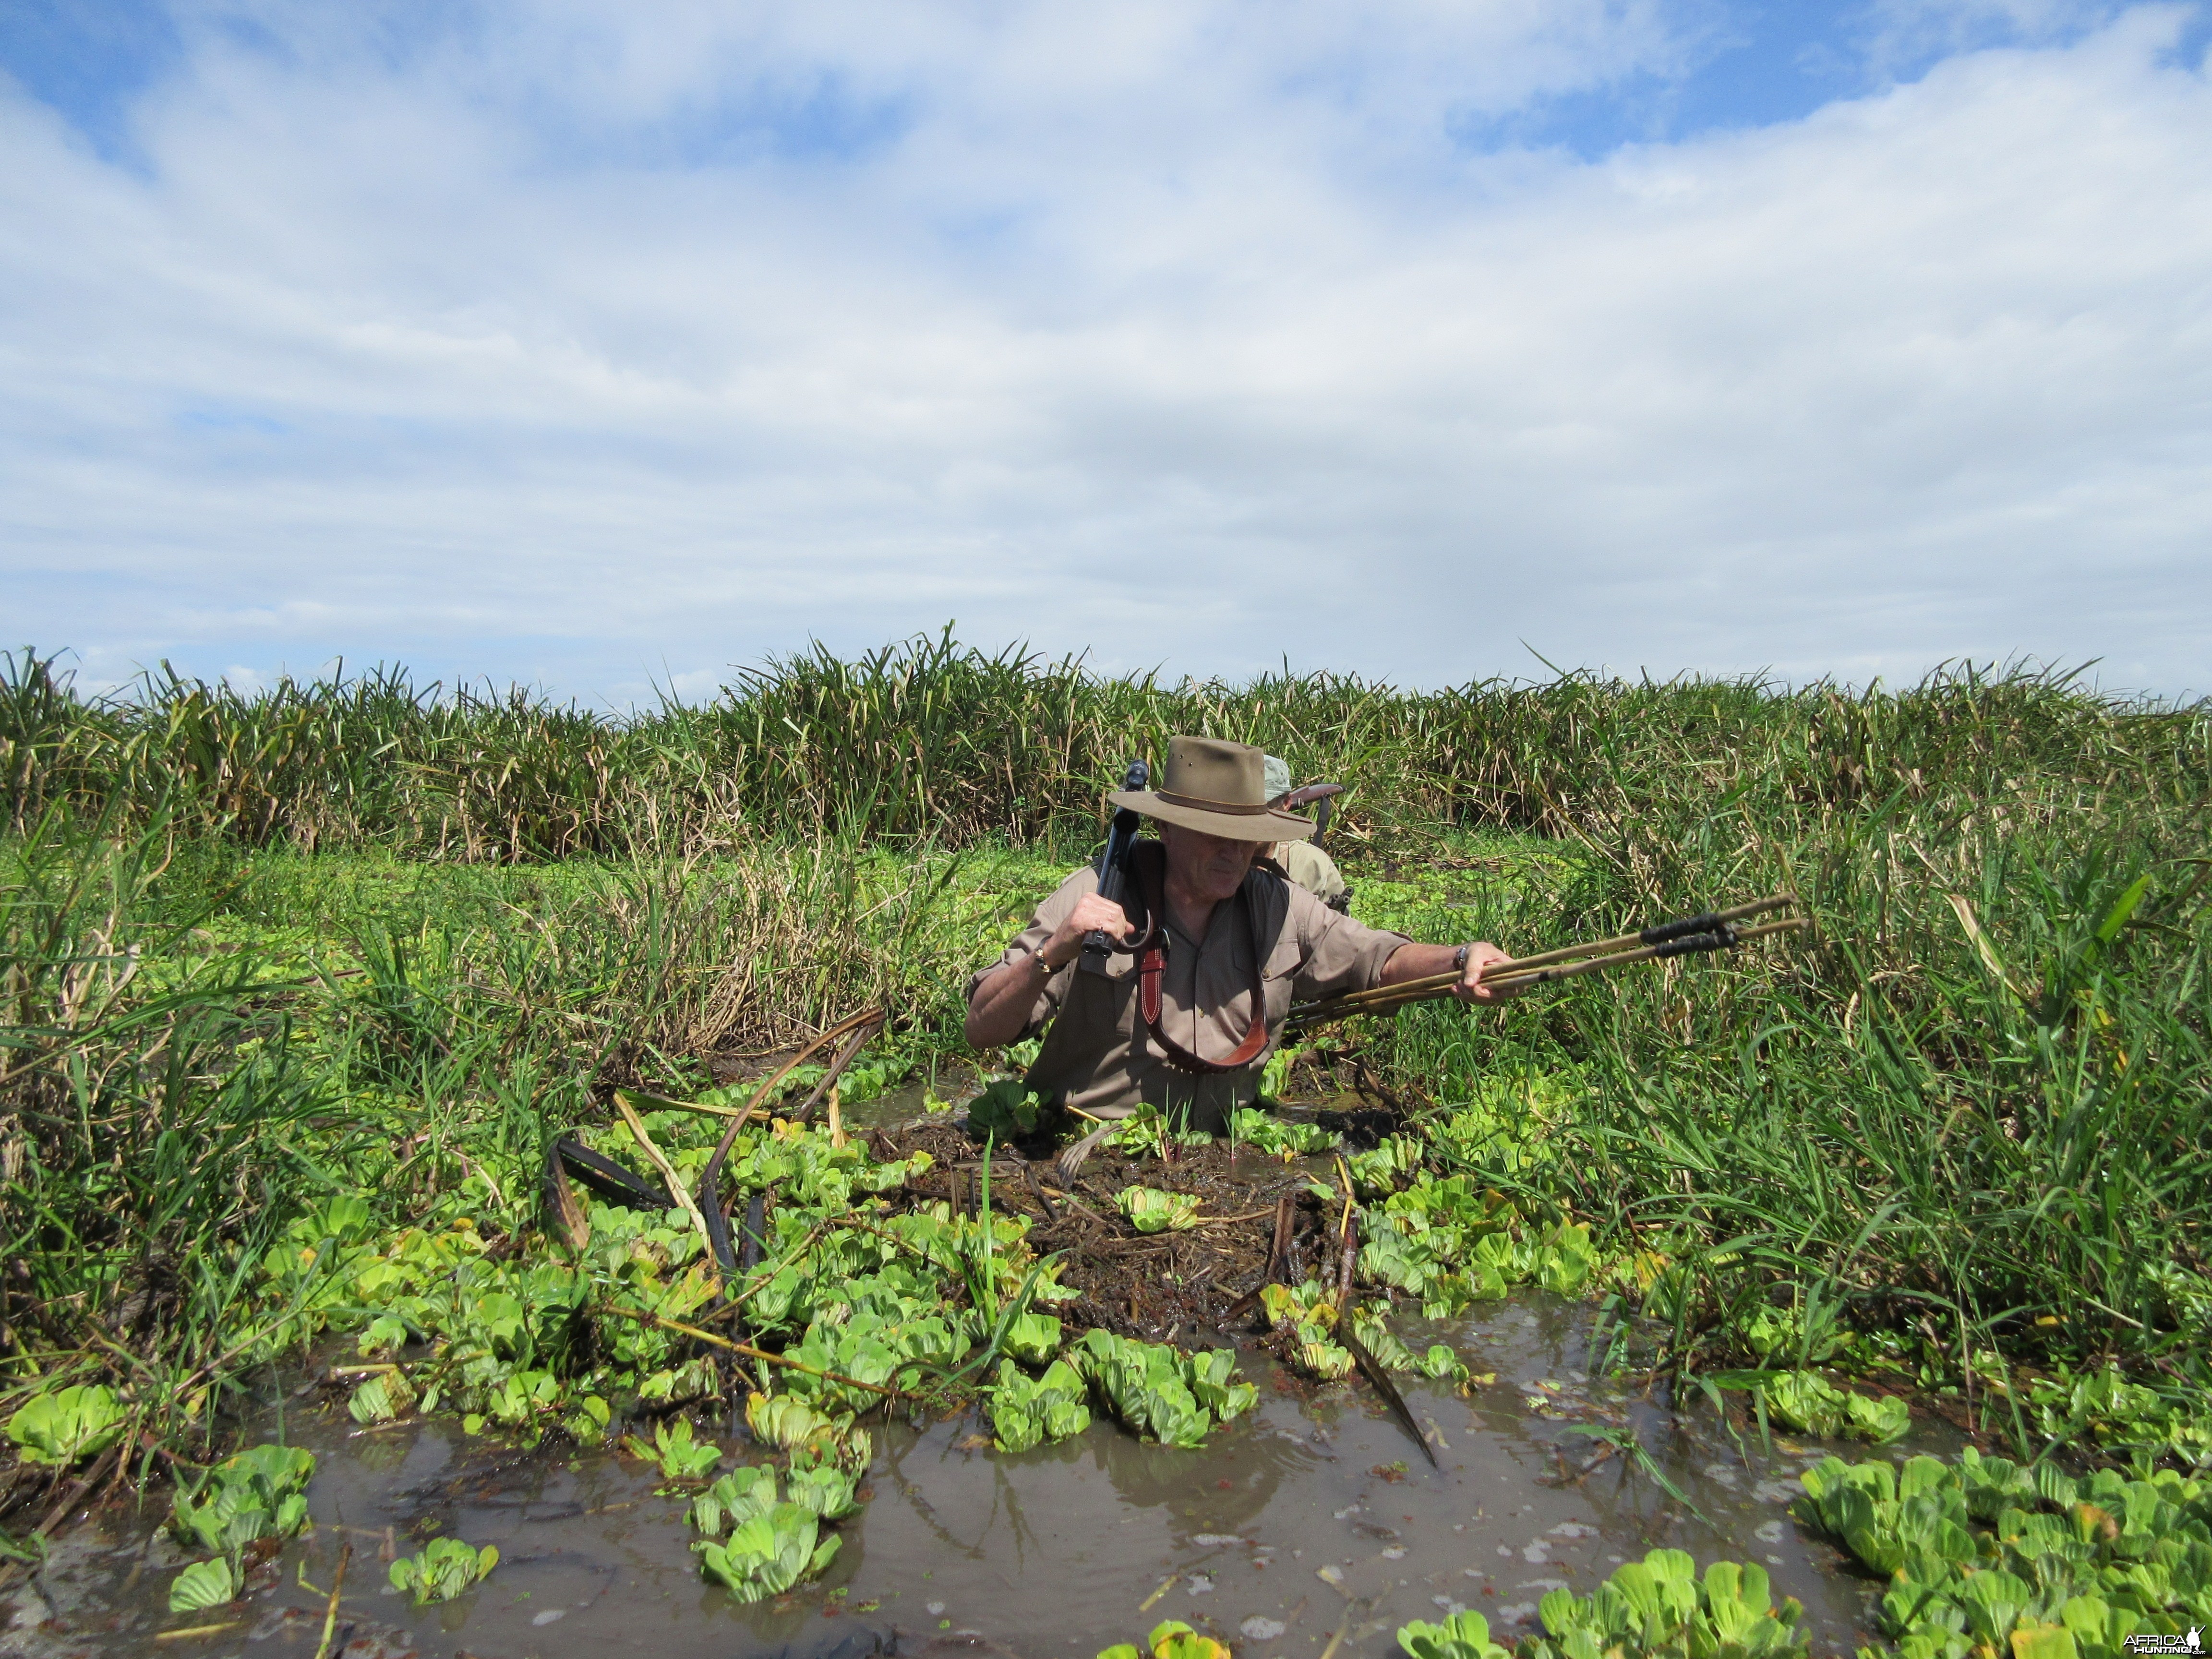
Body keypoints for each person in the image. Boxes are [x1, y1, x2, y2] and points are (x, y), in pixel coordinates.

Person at [963, 735, 1518, 1135]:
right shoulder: (1097, 894)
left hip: (1221, 1147)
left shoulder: (1279, 904)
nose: (1235, 853)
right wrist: (1051, 954)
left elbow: (1377, 959)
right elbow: (982, 1030)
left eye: (1248, 837)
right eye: (1215, 835)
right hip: (1085, 1141)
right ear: (1166, 827)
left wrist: (1461, 959)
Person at [1262, 754, 1350, 911]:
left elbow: (1341, 929)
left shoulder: (1313, 864)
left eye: (1264, 807)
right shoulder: (1212, 854)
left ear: (1286, 804)